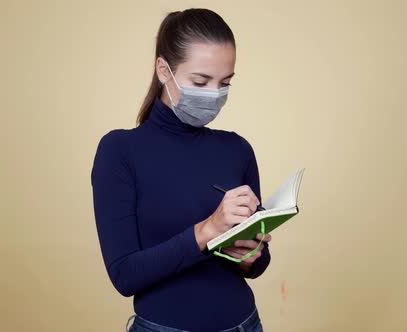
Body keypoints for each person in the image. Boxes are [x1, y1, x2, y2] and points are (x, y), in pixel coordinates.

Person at [91, 8, 272, 332]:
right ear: (164, 70)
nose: (214, 94)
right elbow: (124, 274)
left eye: (225, 83)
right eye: (201, 81)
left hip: (246, 324)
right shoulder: (120, 151)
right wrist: (206, 231)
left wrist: (251, 255)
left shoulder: (237, 150)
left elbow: (258, 264)